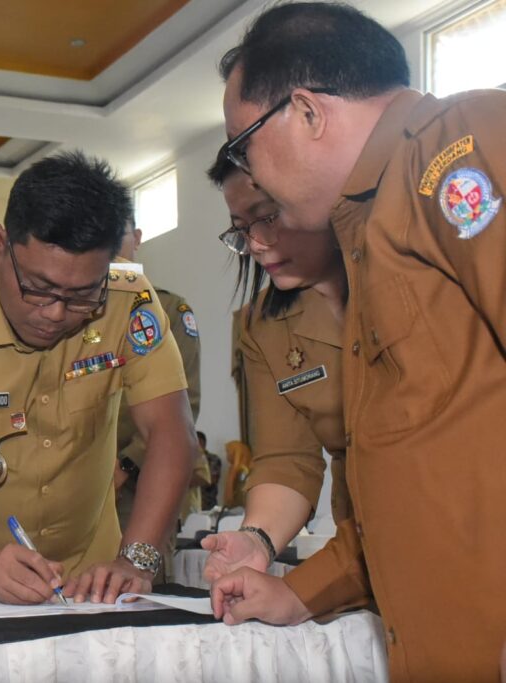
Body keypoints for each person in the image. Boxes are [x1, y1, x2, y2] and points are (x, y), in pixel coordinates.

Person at [211, 3, 506, 680]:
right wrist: (296, 593)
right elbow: (411, 486)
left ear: (306, 112)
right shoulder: (368, 234)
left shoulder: (457, 145)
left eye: (242, 146)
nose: (248, 171)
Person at [0, 151, 198, 605]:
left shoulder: (129, 303)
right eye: (38, 288)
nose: (54, 313)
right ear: (0, 245)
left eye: (82, 296)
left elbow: (172, 433)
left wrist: (136, 560)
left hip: (93, 585)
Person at [200, 152, 355, 587]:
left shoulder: (407, 274)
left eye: (267, 217)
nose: (255, 243)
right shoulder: (263, 324)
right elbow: (288, 459)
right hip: (369, 543)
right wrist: (257, 540)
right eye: (241, 228)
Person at [114, 217, 202, 534]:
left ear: (137, 237)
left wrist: (126, 465)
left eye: (118, 233)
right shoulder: (76, 308)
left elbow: (186, 402)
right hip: (83, 480)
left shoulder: (167, 309)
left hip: (142, 477)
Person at [197, 432, 221, 511]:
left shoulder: (213, 459)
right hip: (193, 504)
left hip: (208, 503)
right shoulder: (190, 459)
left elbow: (211, 480)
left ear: (203, 444)